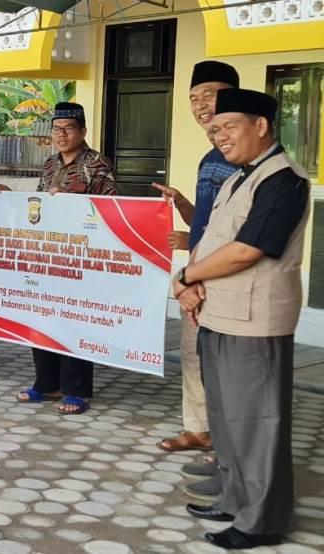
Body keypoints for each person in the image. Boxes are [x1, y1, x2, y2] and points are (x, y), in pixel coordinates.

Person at [176, 88, 307, 550]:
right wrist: (191, 285)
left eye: (228, 126)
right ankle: (234, 497)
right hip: (220, 313)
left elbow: (247, 249)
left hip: (256, 320)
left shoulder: (284, 180)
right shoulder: (237, 178)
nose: (219, 135)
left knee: (257, 423)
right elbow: (214, 239)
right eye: (216, 129)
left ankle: (262, 520)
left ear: (261, 125)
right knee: (227, 419)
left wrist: (187, 274)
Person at [151, 61, 240, 503]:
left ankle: (227, 452)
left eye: (211, 93)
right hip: (199, 273)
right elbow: (206, 221)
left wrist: (198, 258)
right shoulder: (211, 156)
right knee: (193, 356)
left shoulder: (242, 158)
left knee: (222, 367)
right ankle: (198, 430)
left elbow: (240, 233)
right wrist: (185, 207)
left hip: (221, 278)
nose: (201, 104)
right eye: (194, 97)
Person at [15, 102, 116, 415]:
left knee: (76, 321)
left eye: (68, 128)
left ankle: (77, 389)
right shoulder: (49, 164)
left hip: (82, 255)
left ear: (82, 131)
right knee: (44, 315)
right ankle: (47, 384)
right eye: (57, 129)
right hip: (49, 254)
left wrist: (77, 202)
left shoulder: (97, 163)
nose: (61, 134)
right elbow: (40, 203)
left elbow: (112, 208)